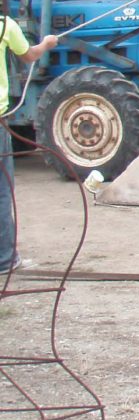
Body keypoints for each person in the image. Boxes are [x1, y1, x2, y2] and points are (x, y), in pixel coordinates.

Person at [1, 18, 59, 274]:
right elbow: (29, 55)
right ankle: (4, 259)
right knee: (2, 192)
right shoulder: (5, 26)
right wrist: (47, 43)